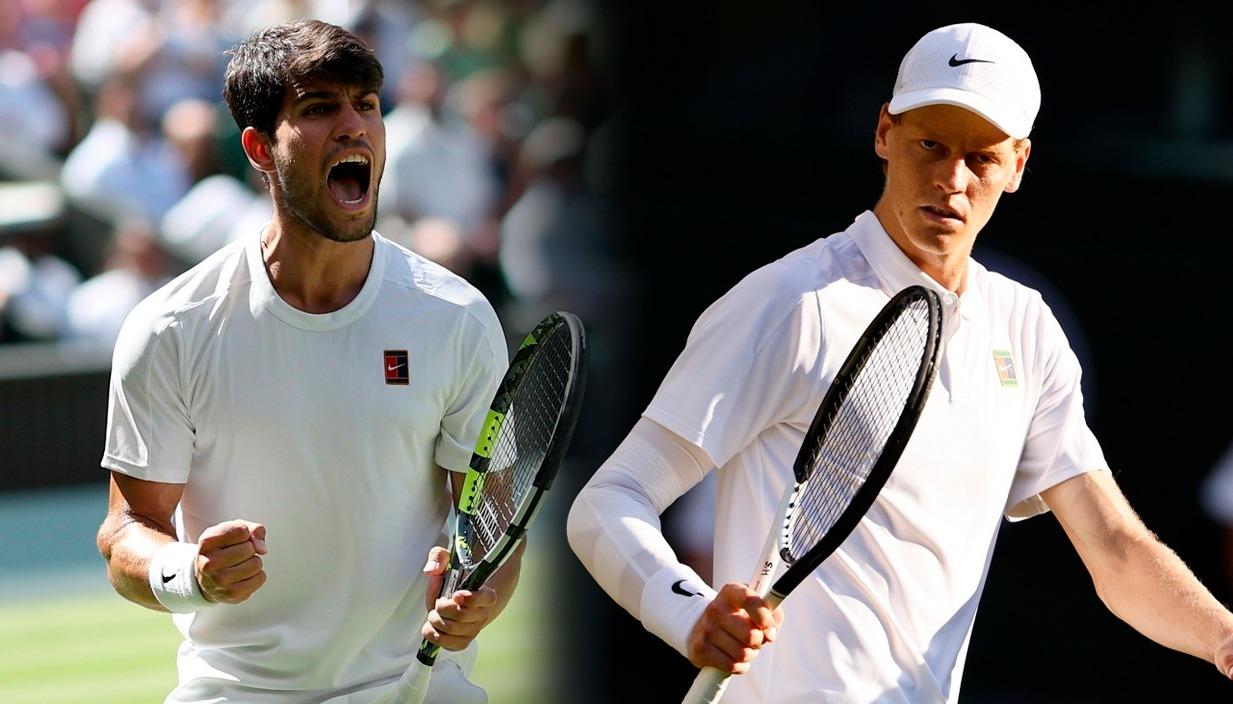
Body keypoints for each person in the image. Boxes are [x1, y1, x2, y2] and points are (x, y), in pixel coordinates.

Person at [567, 22, 1233, 703]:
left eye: (980, 158)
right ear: (883, 133)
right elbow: (608, 500)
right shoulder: (789, 303)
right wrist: (688, 613)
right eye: (930, 144)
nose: (950, 179)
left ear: (1018, 166)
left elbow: (1115, 550)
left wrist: (1222, 639)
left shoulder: (1025, 328)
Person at [95, 20, 516, 704]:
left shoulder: (456, 317)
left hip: (415, 683)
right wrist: (189, 572)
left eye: (367, 105)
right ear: (260, 148)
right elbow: (126, 532)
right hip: (235, 691)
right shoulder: (170, 328)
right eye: (320, 108)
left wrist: (480, 588)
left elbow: (492, 522)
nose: (354, 127)